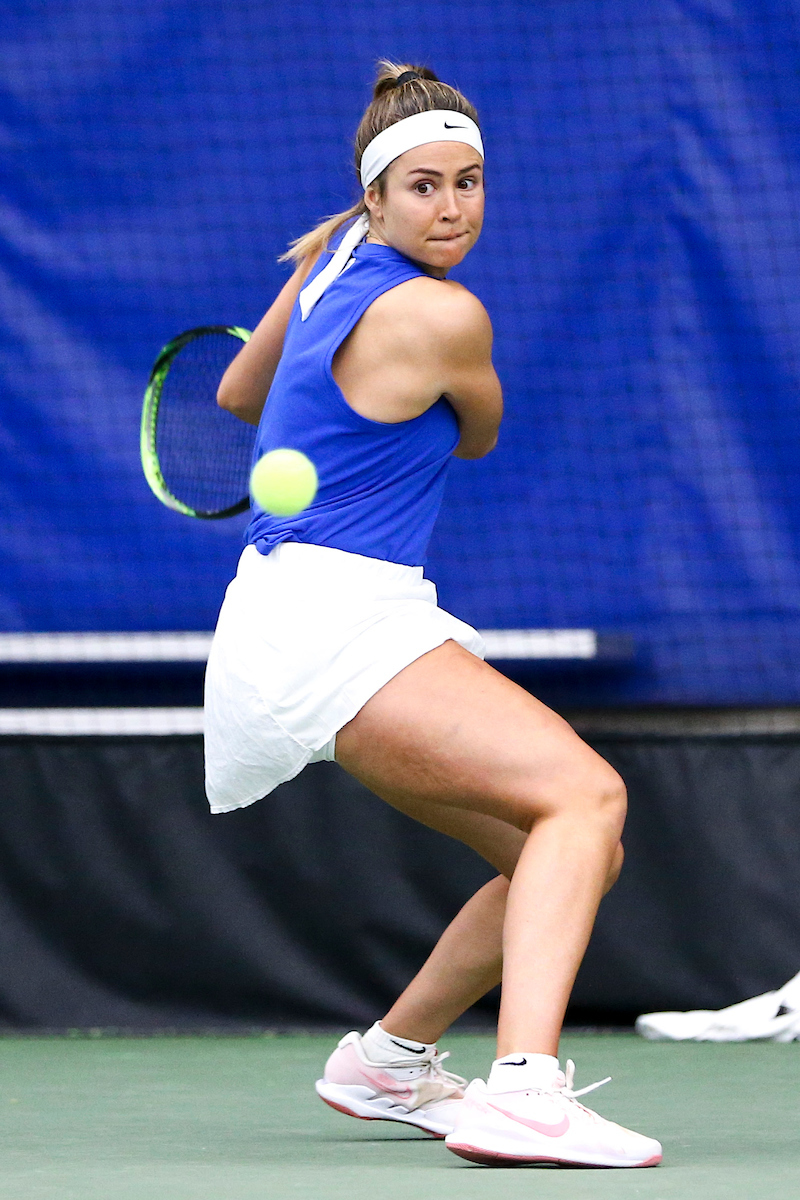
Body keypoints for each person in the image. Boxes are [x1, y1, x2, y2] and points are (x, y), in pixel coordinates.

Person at [206, 60, 661, 1169]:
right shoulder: (444, 314)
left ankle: (390, 1060)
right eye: (422, 186)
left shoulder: (326, 260)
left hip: (295, 609)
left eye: (468, 183)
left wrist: (335, 409)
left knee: (561, 849)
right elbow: (476, 433)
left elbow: (239, 394)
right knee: (584, 794)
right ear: (376, 196)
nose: (451, 206)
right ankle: (521, 1092)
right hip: (335, 617)